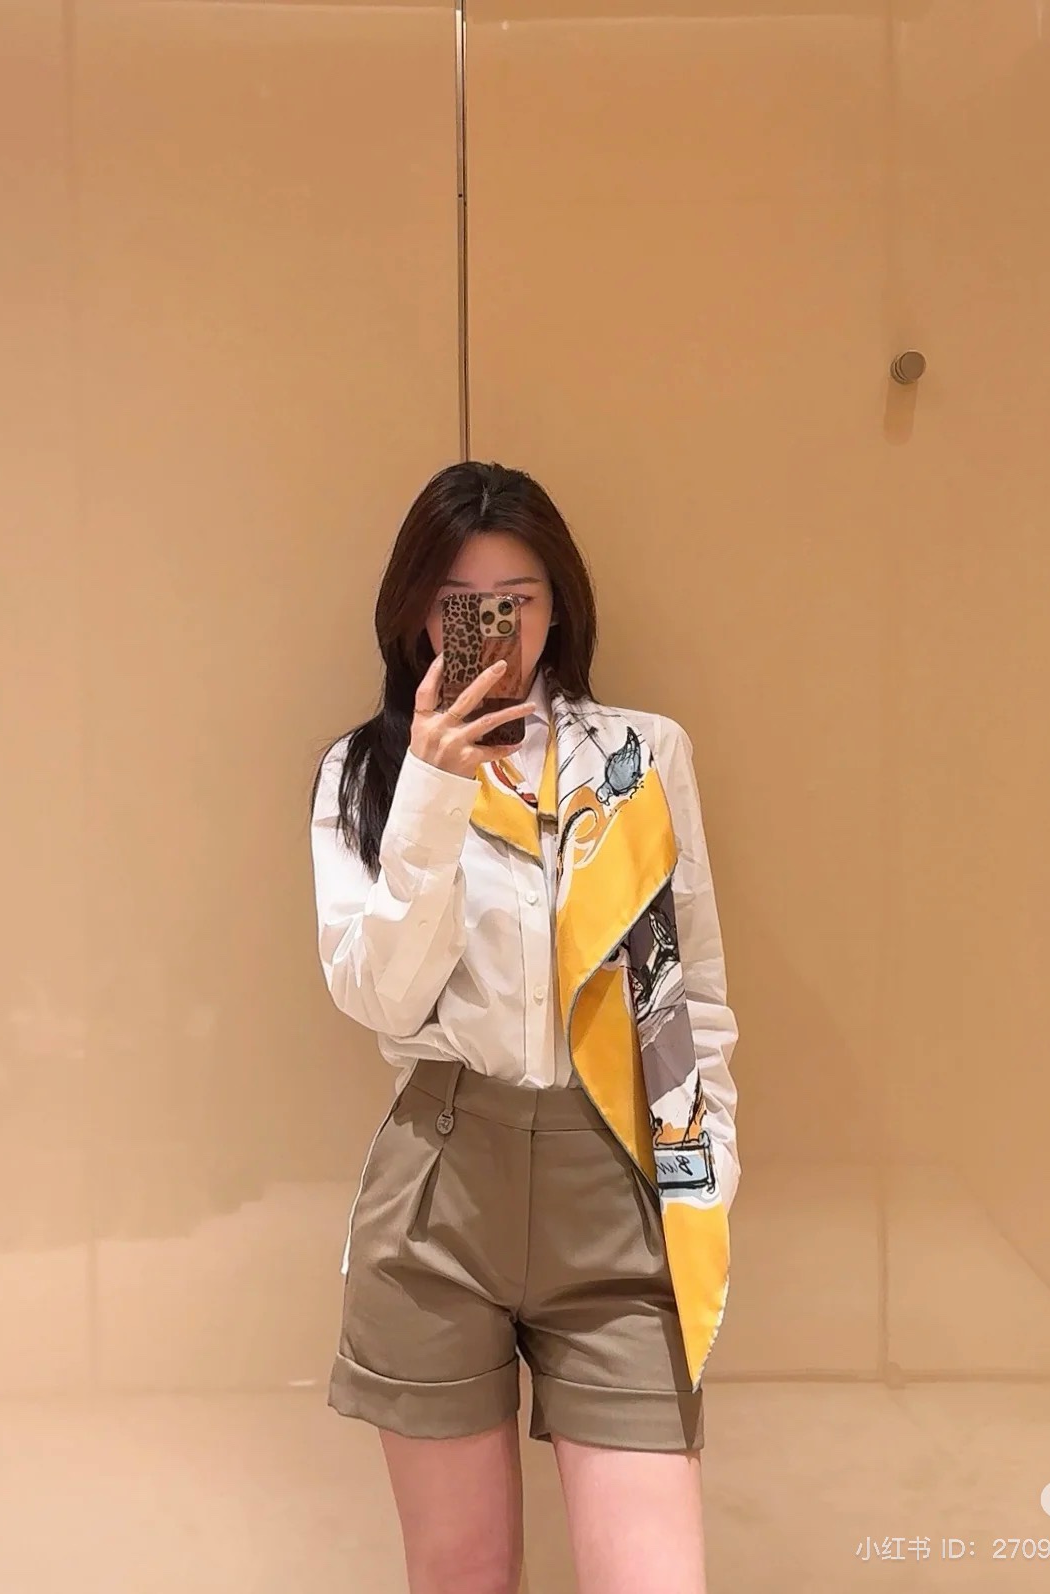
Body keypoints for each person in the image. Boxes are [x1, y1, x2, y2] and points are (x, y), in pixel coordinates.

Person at [308, 460, 739, 1594]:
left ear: (559, 606)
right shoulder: (365, 773)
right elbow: (382, 1001)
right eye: (462, 601)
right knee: (462, 1574)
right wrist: (432, 791)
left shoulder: (642, 755)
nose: (493, 626)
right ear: (418, 611)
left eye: (519, 597)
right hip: (440, 1195)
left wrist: (705, 1185)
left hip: (618, 1186)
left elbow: (688, 993)